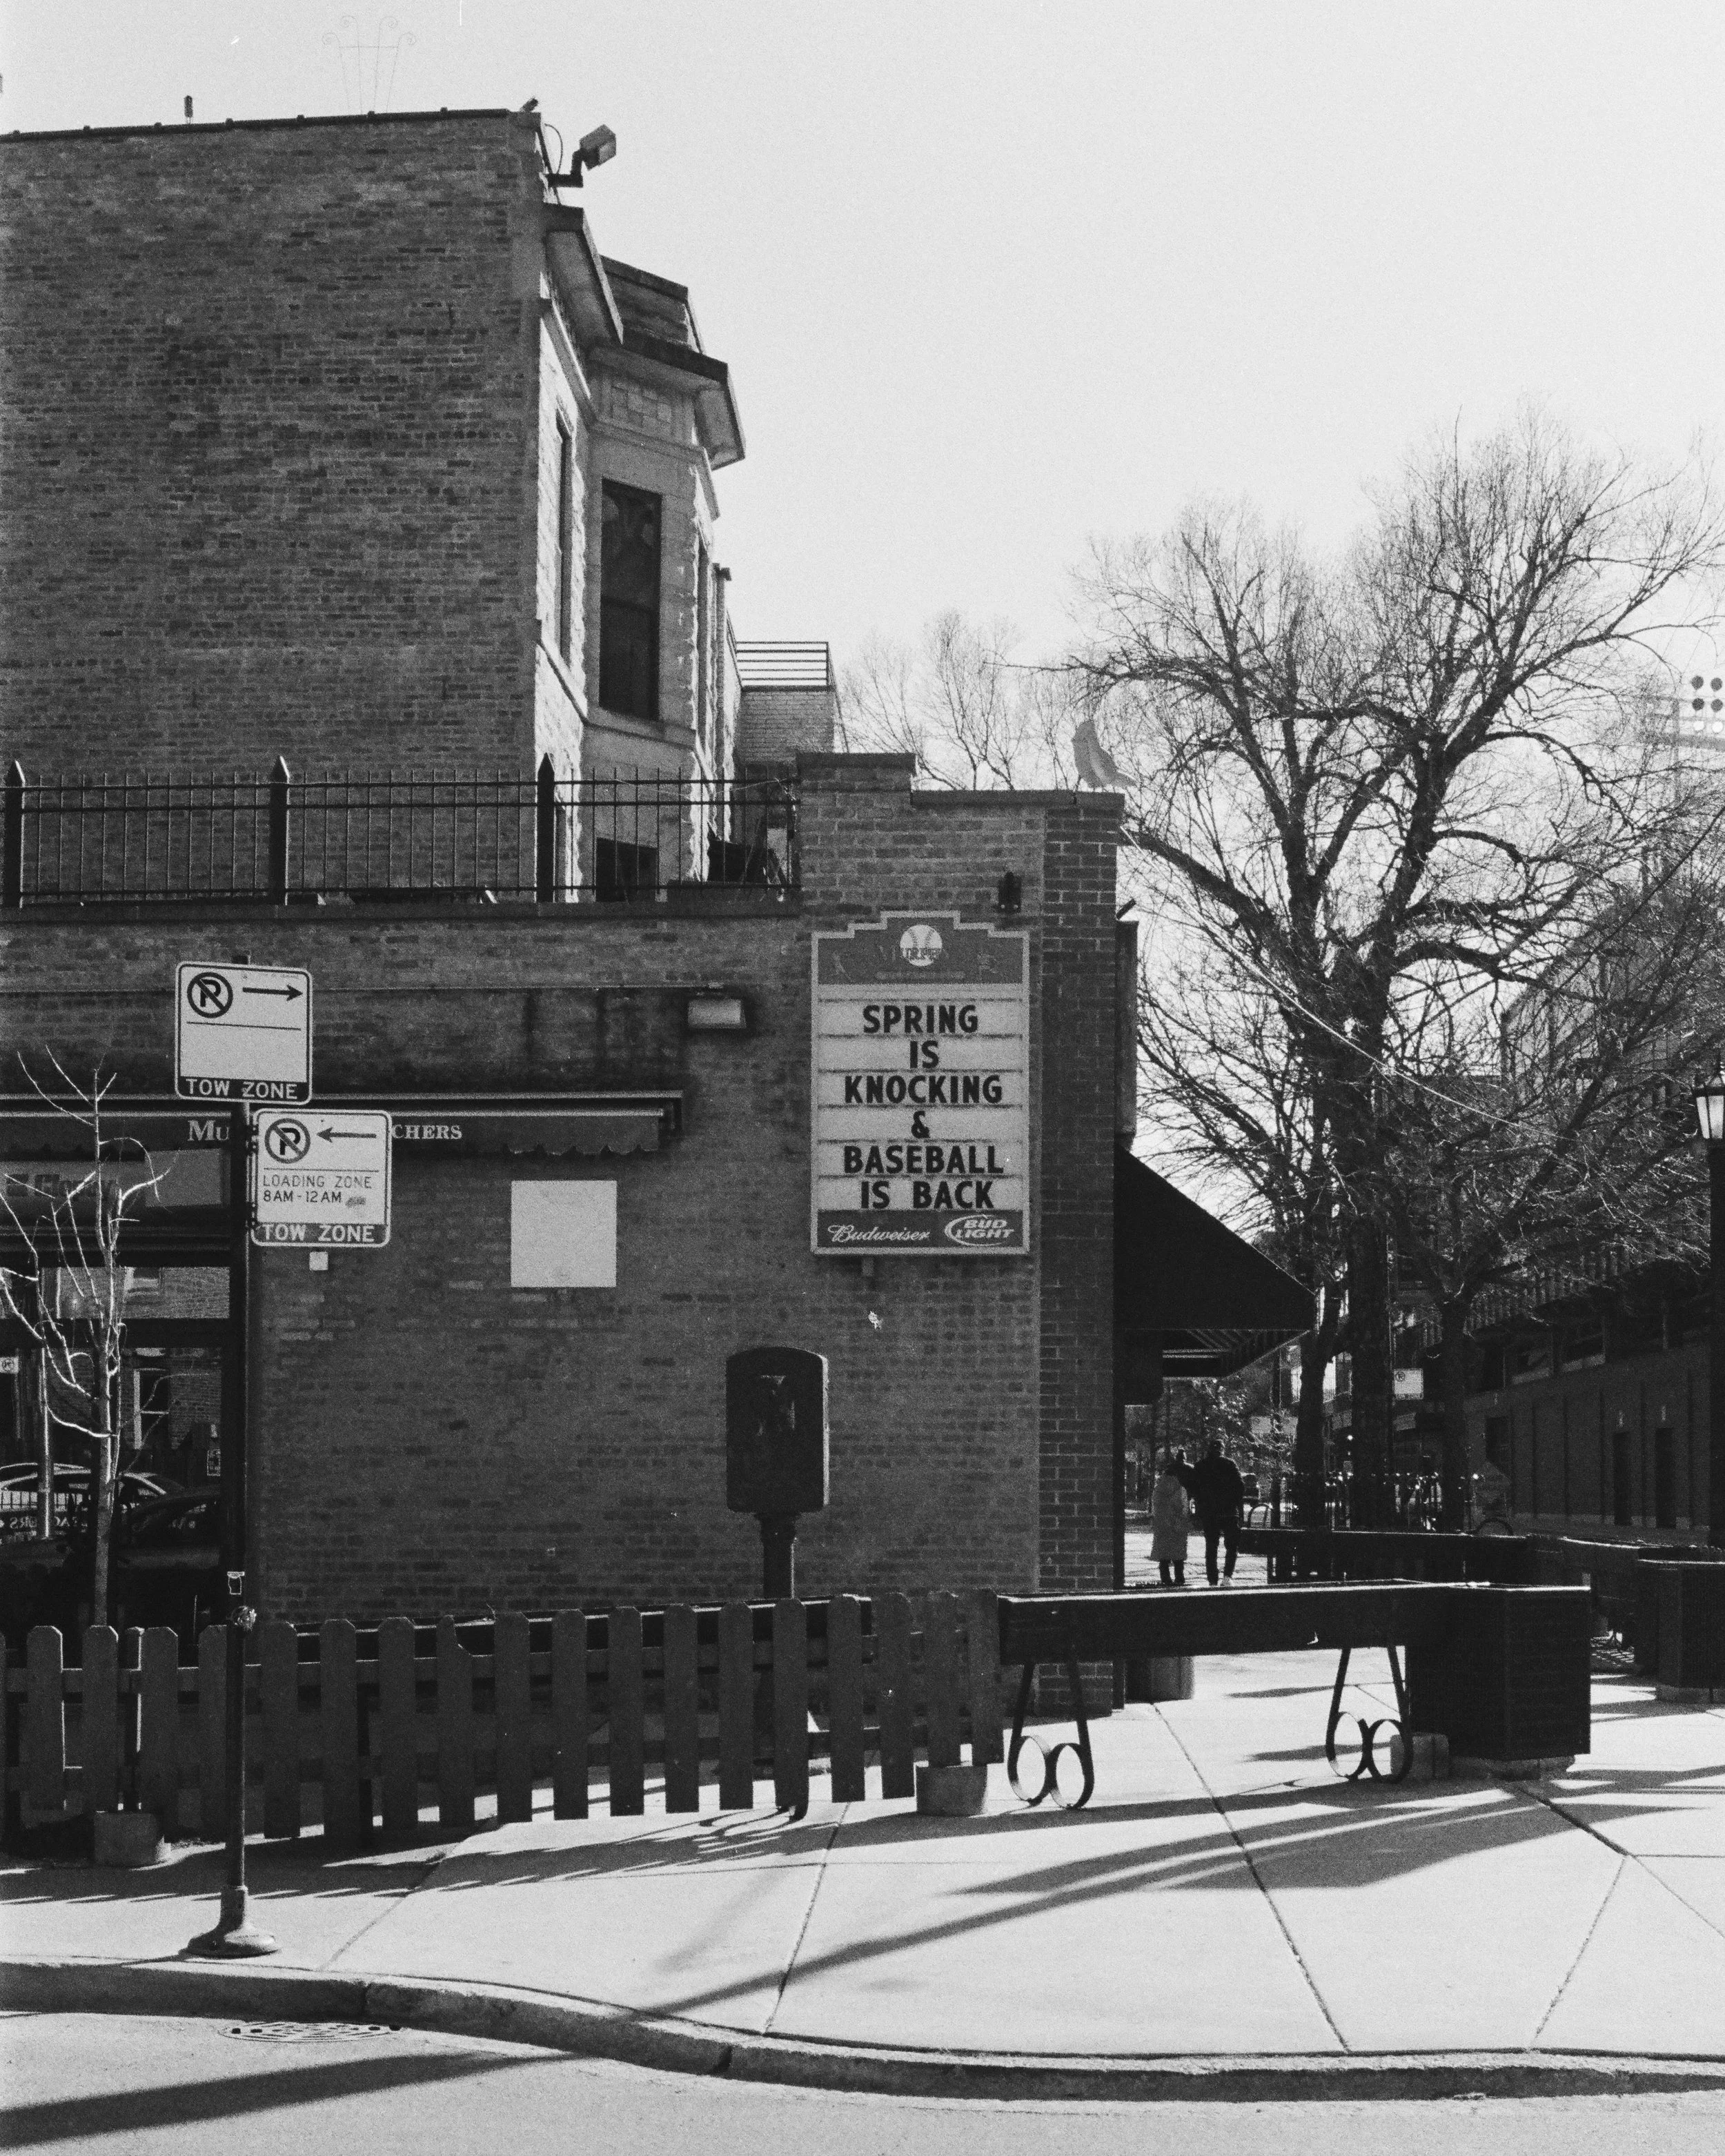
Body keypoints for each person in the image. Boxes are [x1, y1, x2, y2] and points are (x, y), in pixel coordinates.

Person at [1191, 1438, 1245, 1586]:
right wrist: (1236, 1506)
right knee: (1232, 1546)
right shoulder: (1230, 1464)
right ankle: (1227, 1577)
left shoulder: (1201, 1466)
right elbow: (1240, 1487)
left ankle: (1212, 1580)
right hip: (1229, 1512)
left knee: (1211, 1546)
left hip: (1210, 1513)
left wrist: (1198, 1510)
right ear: (1223, 1449)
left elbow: (1195, 1490)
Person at [1150, 1452, 1191, 1587]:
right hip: (1177, 1525)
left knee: (1164, 1555)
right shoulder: (1180, 1489)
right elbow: (1184, 1508)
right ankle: (1179, 1578)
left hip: (1162, 1525)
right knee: (1178, 1554)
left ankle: (1165, 1578)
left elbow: (1155, 1507)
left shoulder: (1158, 1489)